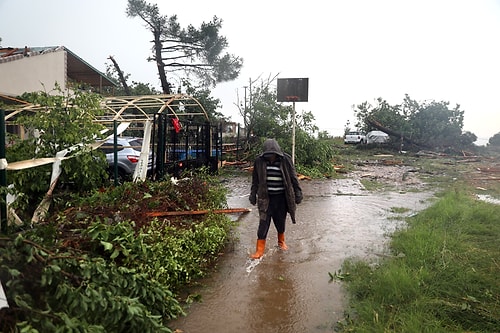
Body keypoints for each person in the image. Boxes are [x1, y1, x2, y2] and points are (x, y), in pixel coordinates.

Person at [249, 138, 303, 259]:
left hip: (282, 199)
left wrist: (298, 192)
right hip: (265, 198)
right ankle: (259, 250)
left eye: (273, 155)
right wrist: (253, 194)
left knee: (280, 222)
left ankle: (281, 242)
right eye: (268, 155)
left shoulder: (285, 160)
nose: (270, 157)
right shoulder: (259, 161)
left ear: (277, 153)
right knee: (263, 223)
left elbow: (293, 177)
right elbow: (255, 180)